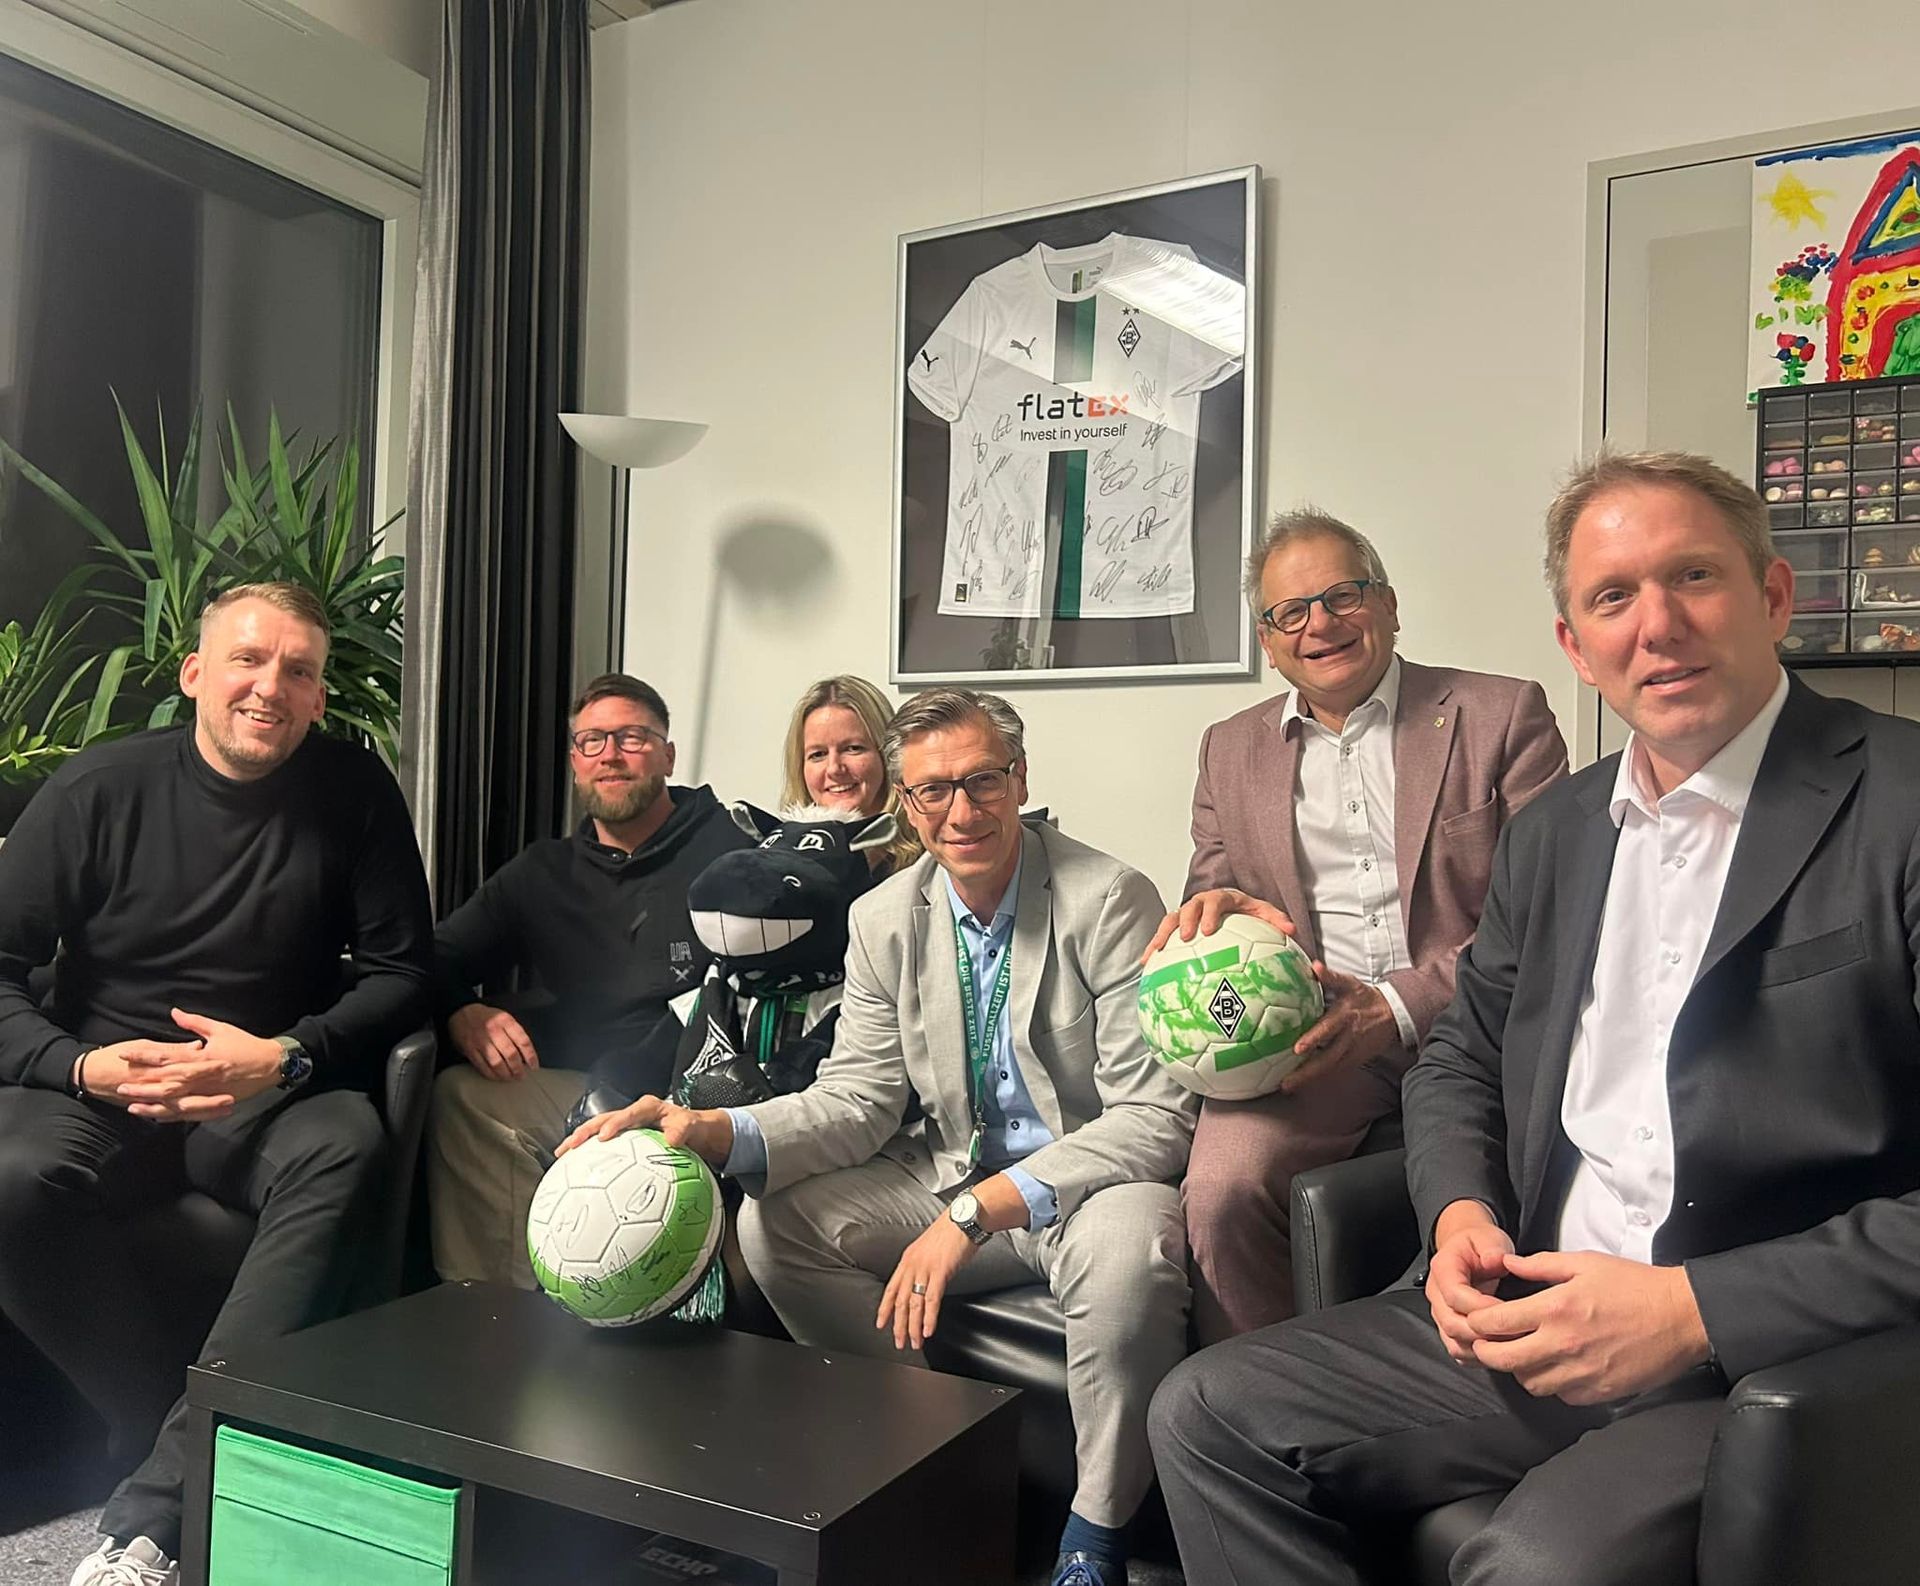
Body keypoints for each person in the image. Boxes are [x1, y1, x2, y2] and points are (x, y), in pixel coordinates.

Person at [1149, 451, 1920, 1586]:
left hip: (1763, 1349)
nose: (1657, 626)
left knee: (1529, 1568)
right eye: (1612, 597)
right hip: (1533, 1306)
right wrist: (1461, 1209)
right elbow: (1463, 1054)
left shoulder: (1900, 800)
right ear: (1576, 643)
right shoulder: (1560, 832)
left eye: (1693, 577)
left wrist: (1692, 1308)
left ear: (1771, 596)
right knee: (1205, 1411)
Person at [567, 688, 1198, 1586]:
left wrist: (975, 1213)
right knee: (775, 1225)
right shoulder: (884, 917)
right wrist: (711, 1129)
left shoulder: (1110, 898)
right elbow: (858, 1100)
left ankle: (1094, 1535)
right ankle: (932, 1461)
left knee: (1134, 1261)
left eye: (982, 782)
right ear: (906, 802)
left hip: (1085, 1185)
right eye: (933, 790)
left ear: (1020, 779)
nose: (961, 812)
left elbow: (1151, 1116)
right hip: (945, 1176)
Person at [0, 582, 433, 1586]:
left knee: (348, 1146)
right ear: (196, 672)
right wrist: (76, 1064)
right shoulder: (99, 787)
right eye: (248, 658)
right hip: (101, 1083)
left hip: (262, 1086)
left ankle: (156, 1508)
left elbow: (405, 973)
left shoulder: (354, 792)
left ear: (319, 696)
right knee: (8, 1177)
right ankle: (175, 1431)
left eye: (297, 669)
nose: (269, 685)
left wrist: (282, 1054)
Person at [1158, 509, 1566, 1342]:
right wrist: (1213, 919)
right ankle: (1262, 1394)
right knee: (1223, 1191)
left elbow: (1552, 912)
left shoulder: (1501, 714)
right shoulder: (1228, 750)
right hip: (1312, 1039)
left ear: (1387, 604)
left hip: (1485, 1028)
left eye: (1342, 595)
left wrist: (1398, 1005)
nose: (1320, 624)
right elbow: (1214, 895)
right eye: (1290, 612)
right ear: (1268, 642)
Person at [426, 673, 749, 1289]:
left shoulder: (733, 850)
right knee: (462, 1095)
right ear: (575, 763)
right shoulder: (542, 873)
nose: (610, 755)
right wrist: (462, 1011)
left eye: (632, 738)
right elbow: (435, 956)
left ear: (668, 755)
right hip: (590, 1091)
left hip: (700, 1095)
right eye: (591, 742)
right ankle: (493, 1309)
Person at [780, 673, 921, 874]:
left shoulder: (930, 860)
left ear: (887, 754)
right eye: (818, 754)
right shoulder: (777, 860)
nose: (834, 768)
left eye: (853, 749)